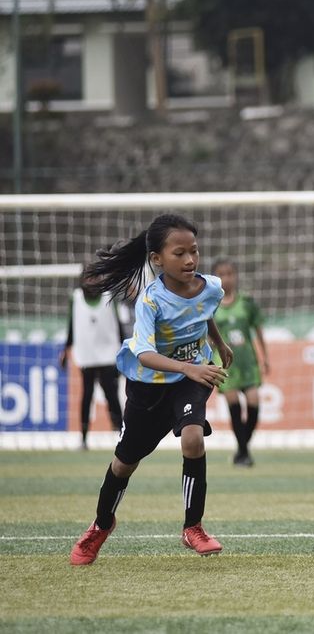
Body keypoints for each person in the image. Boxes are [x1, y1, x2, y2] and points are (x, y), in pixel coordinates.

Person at [69, 214, 233, 565]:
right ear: (157, 259)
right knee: (124, 464)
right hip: (149, 386)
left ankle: (193, 527)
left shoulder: (212, 287)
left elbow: (205, 313)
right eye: (180, 253)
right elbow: (144, 352)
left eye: (194, 251)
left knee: (193, 438)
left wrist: (220, 344)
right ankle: (100, 526)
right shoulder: (150, 300)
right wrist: (190, 366)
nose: (190, 260)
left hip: (190, 380)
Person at [59, 273, 129, 450]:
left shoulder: (109, 297)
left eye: (95, 278)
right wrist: (66, 350)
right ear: (82, 280)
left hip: (108, 354)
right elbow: (71, 326)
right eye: (88, 278)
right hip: (86, 355)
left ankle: (122, 436)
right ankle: (83, 438)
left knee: (111, 396)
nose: (92, 282)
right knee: (86, 395)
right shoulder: (75, 298)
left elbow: (119, 325)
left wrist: (124, 348)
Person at [212, 259, 269, 467]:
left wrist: (266, 357)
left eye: (229, 274)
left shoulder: (246, 302)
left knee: (254, 403)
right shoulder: (212, 303)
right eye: (221, 274)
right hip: (226, 363)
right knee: (234, 406)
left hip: (247, 361)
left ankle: (242, 449)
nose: (226, 278)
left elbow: (258, 330)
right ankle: (244, 453)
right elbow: (208, 334)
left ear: (235, 276)